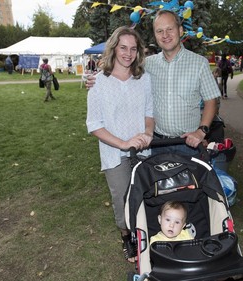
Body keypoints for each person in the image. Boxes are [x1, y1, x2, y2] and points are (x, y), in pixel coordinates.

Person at [86, 10, 220, 155]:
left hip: (188, 143)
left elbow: (211, 100)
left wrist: (201, 132)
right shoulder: (147, 64)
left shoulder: (199, 63)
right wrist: (97, 80)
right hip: (156, 144)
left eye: (170, 29)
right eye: (159, 31)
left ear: (180, 31)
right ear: (155, 35)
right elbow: (120, 69)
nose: (165, 35)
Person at [86, 26, 154, 263]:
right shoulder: (98, 83)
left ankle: (145, 234)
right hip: (114, 152)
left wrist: (147, 132)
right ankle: (127, 237)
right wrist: (124, 143)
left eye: (133, 49)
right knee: (122, 198)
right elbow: (94, 125)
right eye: (123, 47)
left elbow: (149, 112)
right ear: (114, 47)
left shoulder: (143, 78)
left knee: (144, 195)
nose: (128, 53)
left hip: (143, 150)